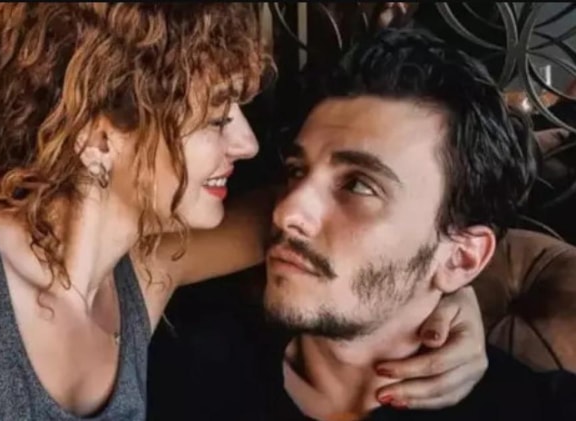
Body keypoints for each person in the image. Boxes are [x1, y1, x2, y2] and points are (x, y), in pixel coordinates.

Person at [0, 5, 488, 420]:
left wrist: (451, 293)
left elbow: (319, 228)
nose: (245, 142)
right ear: (97, 136)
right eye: (217, 117)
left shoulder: (142, 274)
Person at [172, 28, 576, 421]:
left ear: (462, 257)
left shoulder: (541, 408)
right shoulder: (183, 374)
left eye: (359, 185)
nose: (285, 211)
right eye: (297, 171)